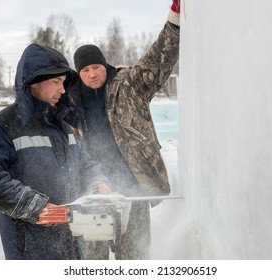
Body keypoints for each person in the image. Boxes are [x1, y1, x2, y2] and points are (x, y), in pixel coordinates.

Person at [0, 43, 112, 260]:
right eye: (56, 82)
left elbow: (86, 163)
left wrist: (97, 181)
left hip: (71, 245)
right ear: (33, 83)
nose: (62, 90)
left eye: (63, 83)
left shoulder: (62, 125)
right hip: (31, 251)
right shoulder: (3, 126)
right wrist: (34, 206)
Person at [67, 0, 180, 259]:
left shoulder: (129, 85)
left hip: (132, 189)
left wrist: (174, 22)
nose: (92, 74)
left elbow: (158, 60)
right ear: (79, 73)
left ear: (104, 65)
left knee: (135, 258)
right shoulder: (68, 101)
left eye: (96, 67)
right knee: (92, 262)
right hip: (92, 193)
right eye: (85, 69)